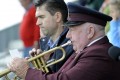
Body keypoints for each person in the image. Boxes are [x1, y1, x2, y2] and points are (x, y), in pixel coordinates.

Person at [8, 2, 120, 80]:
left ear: (90, 31)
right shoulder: (85, 50)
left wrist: (26, 72)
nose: (68, 35)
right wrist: (44, 64)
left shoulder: (98, 55)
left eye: (71, 29)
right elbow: (59, 75)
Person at [32, 0, 74, 72]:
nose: (37, 23)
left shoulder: (73, 44)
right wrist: (41, 66)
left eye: (41, 17)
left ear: (57, 17)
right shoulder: (44, 44)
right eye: (37, 18)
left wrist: (27, 72)